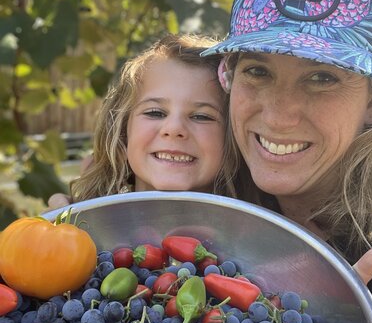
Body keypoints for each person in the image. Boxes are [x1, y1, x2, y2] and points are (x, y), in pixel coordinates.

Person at [200, 0, 372, 323]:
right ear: (229, 79)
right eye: (258, 70)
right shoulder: (201, 208)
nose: (278, 115)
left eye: (322, 78)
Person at [48, 33, 238, 208]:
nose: (173, 129)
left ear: (233, 138)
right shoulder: (84, 228)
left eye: (201, 116)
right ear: (122, 132)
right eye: (155, 113)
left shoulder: (257, 233)